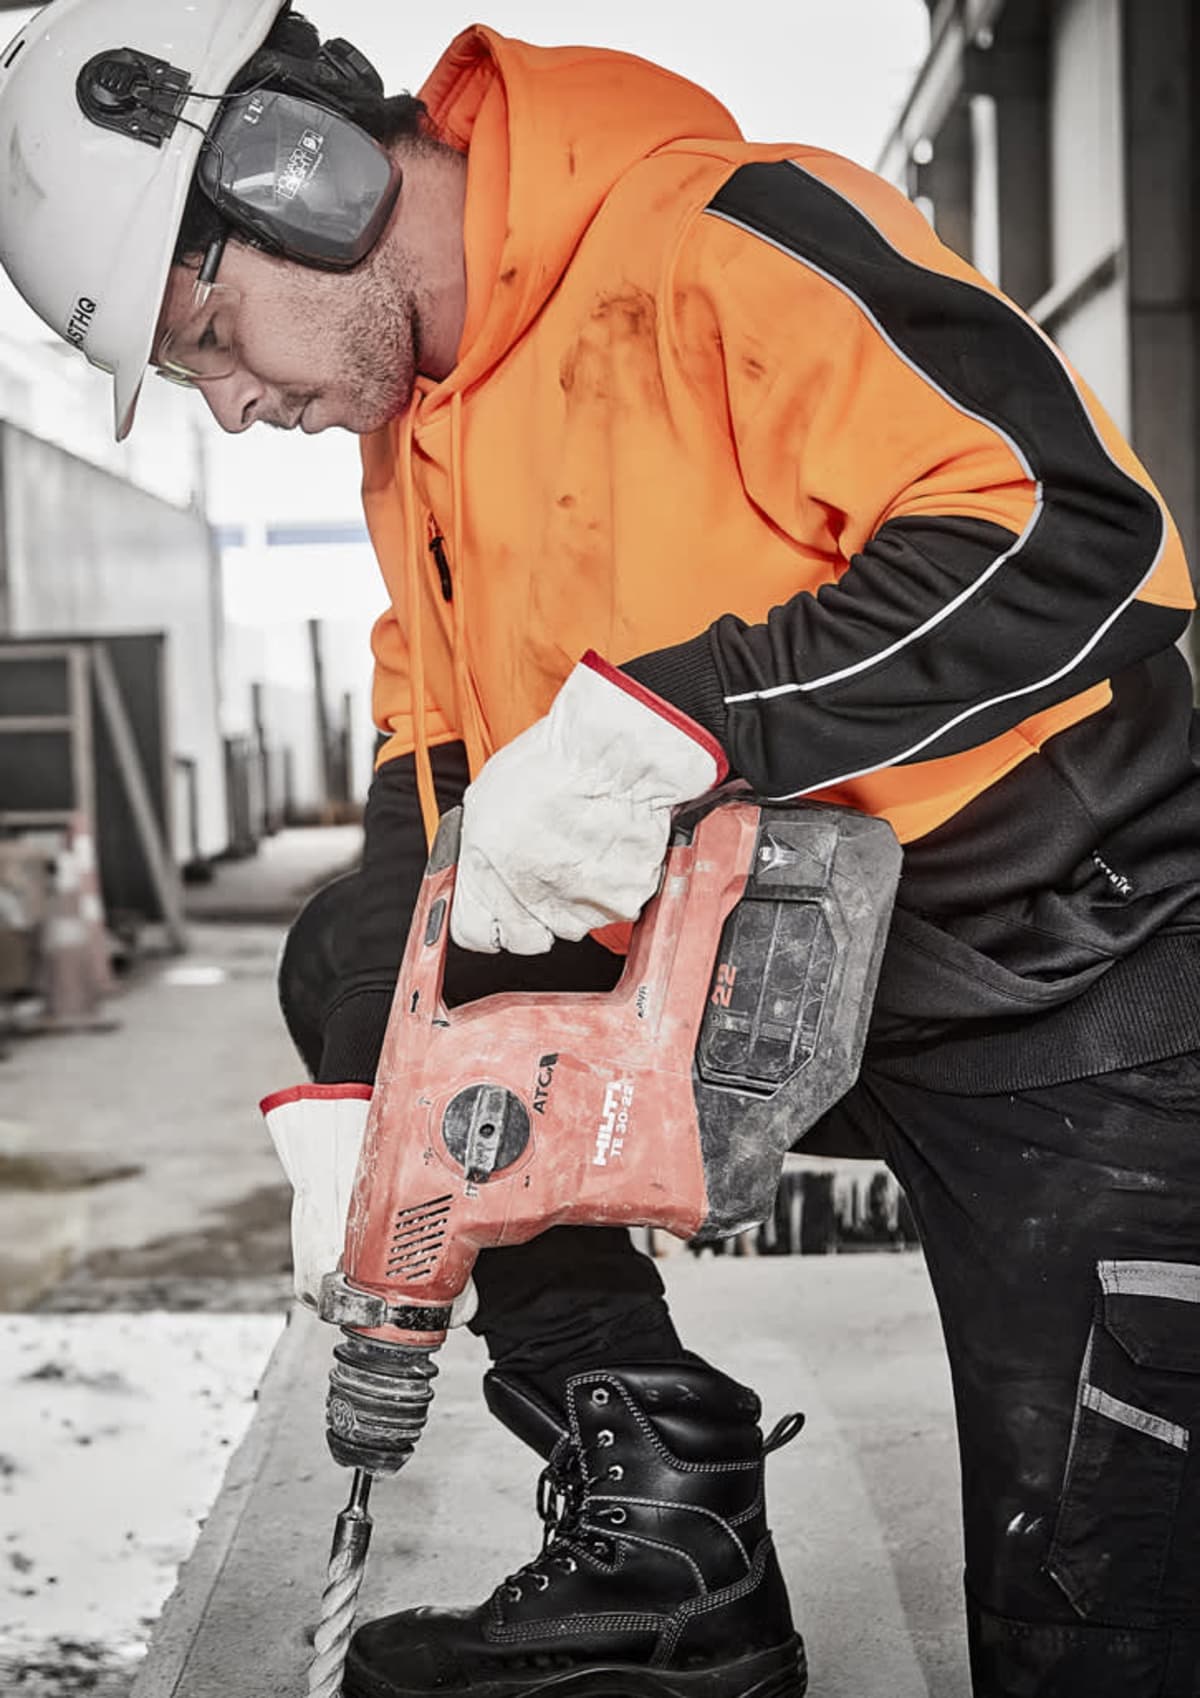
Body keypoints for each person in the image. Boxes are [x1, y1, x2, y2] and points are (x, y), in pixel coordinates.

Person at [3, 3, 1199, 1694]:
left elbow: (1077, 529)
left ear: (300, 174)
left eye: (203, 336)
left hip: (1063, 967)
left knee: (1092, 1631)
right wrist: (388, 1096)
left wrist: (691, 715)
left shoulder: (722, 231)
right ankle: (672, 1538)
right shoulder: (406, 422)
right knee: (360, 949)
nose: (227, 404)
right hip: (775, 967)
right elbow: (428, 770)